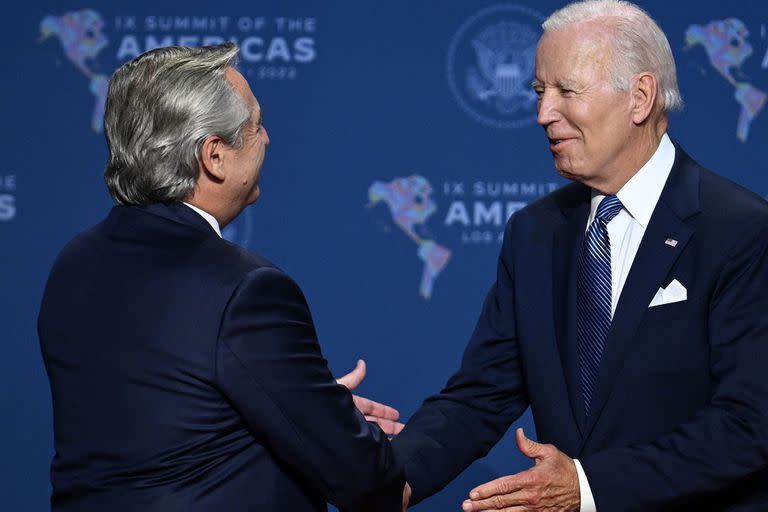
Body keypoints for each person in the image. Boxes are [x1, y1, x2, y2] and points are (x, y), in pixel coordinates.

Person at [392, 1, 768, 511]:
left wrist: (587, 487)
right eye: (540, 92)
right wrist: (389, 477)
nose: (544, 113)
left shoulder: (740, 230)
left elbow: (749, 425)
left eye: (567, 91)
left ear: (639, 97)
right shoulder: (533, 233)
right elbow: (481, 396)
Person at [38, 43, 406, 512]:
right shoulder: (246, 287)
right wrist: (327, 424)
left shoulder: (74, 264)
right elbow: (366, 480)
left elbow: (167, 423)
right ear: (213, 156)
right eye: (255, 125)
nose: (268, 138)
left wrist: (307, 409)